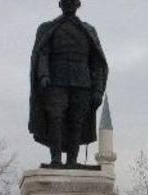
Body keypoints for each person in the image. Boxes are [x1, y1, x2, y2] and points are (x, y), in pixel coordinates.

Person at [28, 0, 108, 166]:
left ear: (77, 5)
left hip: (82, 83)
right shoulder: (48, 28)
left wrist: (98, 90)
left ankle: (72, 160)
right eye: (66, 2)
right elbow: (42, 54)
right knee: (55, 118)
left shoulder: (88, 30)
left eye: (72, 2)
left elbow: (97, 63)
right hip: (55, 82)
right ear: (61, 5)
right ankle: (56, 159)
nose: (69, 4)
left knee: (76, 121)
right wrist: (43, 75)